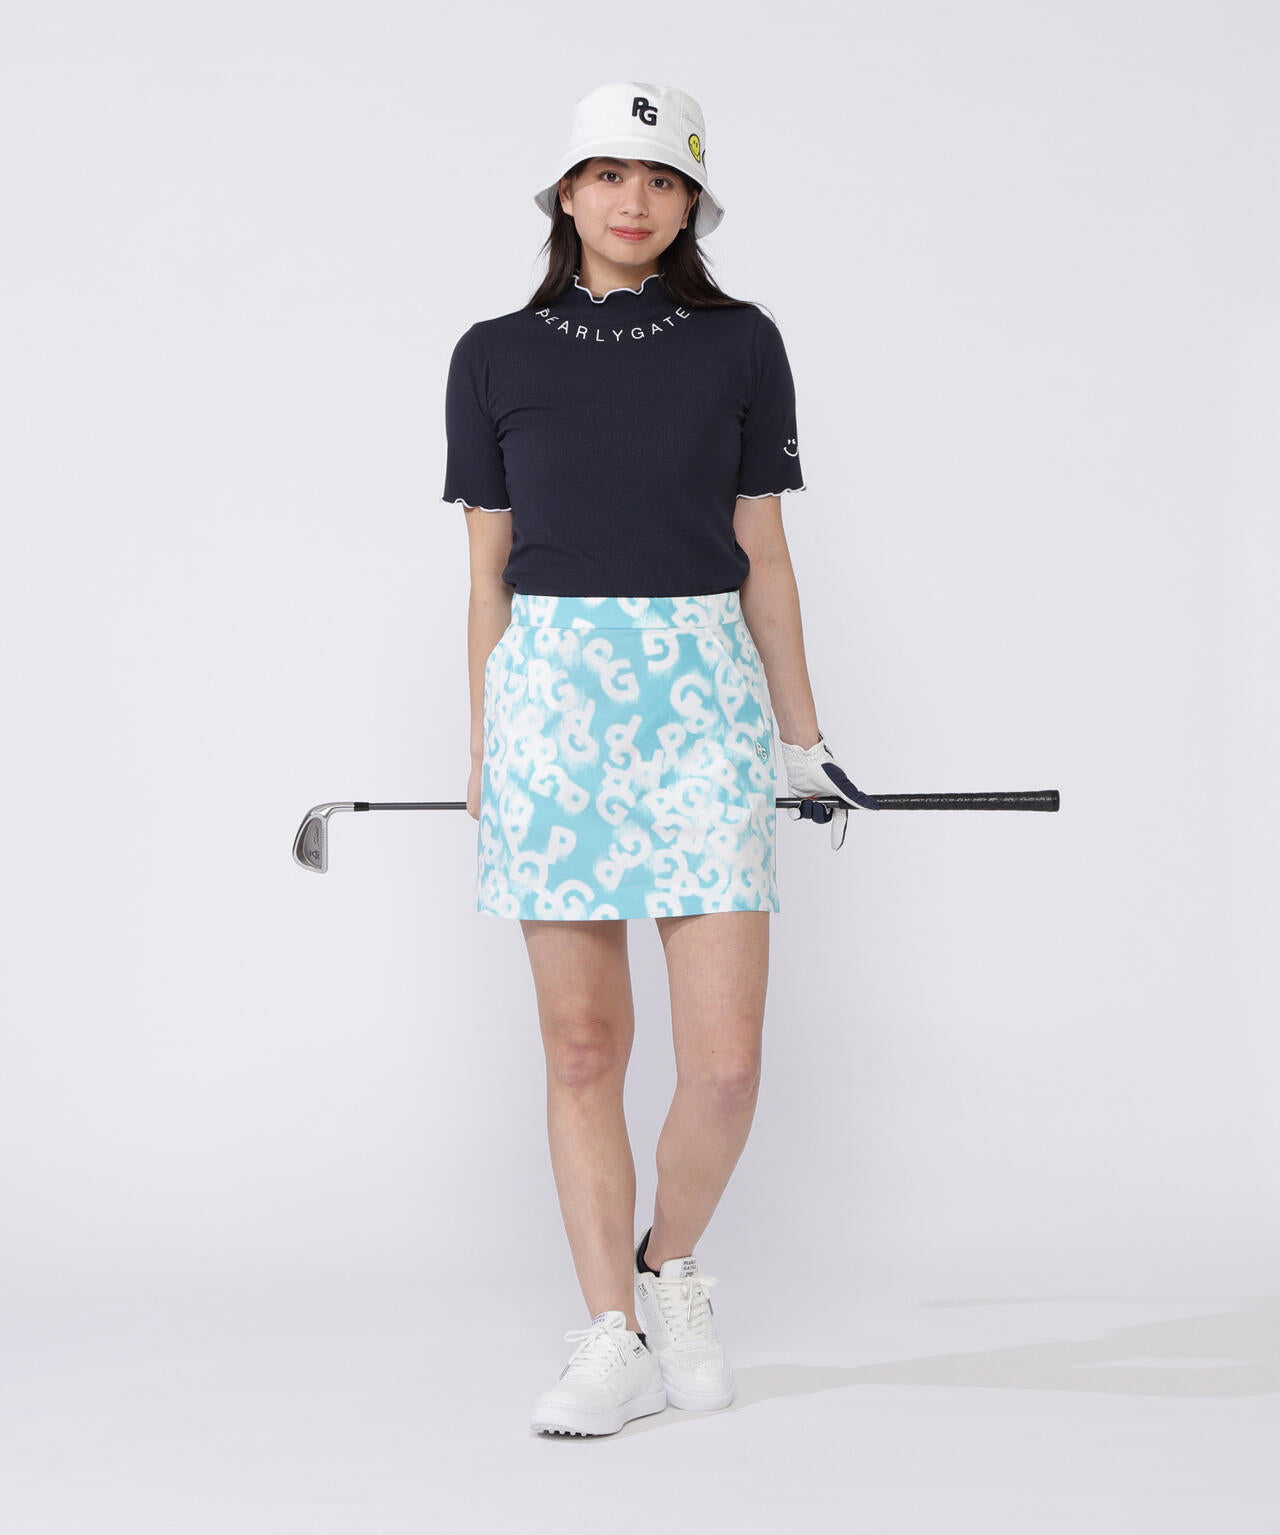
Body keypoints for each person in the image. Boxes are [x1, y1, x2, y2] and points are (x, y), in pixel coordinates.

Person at [441, 81, 873, 1438]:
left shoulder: (741, 344)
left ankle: (665, 1267)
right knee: (582, 1049)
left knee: (725, 1065)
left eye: (663, 179)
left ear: (691, 203)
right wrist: (487, 744)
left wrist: (803, 740)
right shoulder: (491, 356)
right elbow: (488, 576)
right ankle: (609, 1338)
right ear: (567, 194)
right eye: (609, 174)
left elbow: (764, 554)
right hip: (551, 700)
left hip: (703, 702)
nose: (634, 200)